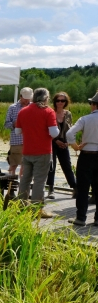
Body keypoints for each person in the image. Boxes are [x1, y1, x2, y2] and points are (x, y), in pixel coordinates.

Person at [15, 88, 60, 218]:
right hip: (43, 152)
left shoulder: (23, 111)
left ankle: (21, 206)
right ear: (46, 98)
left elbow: (17, 132)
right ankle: (36, 210)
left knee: (25, 179)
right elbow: (54, 133)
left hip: (27, 151)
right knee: (39, 181)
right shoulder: (48, 111)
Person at [65, 91, 98, 226]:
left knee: (83, 188)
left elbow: (69, 133)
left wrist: (75, 146)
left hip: (87, 155)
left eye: (91, 103)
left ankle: (81, 218)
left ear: (94, 105)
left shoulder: (85, 119)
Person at [46, 92, 76, 199]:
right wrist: (56, 140)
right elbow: (46, 130)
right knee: (51, 166)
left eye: (62, 101)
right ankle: (51, 189)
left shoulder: (68, 114)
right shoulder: (51, 113)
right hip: (52, 142)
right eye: (58, 100)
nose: (60, 103)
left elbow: (70, 129)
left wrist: (68, 141)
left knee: (67, 165)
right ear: (55, 102)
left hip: (64, 142)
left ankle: (74, 187)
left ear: (66, 102)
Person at [4, 87, 33, 177]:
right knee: (13, 164)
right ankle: (10, 183)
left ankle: (22, 185)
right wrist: (14, 124)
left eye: (29, 98)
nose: (27, 100)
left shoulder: (33, 107)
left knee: (26, 165)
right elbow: (6, 124)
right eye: (25, 98)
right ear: (20, 96)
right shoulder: (13, 108)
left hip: (30, 141)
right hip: (17, 141)